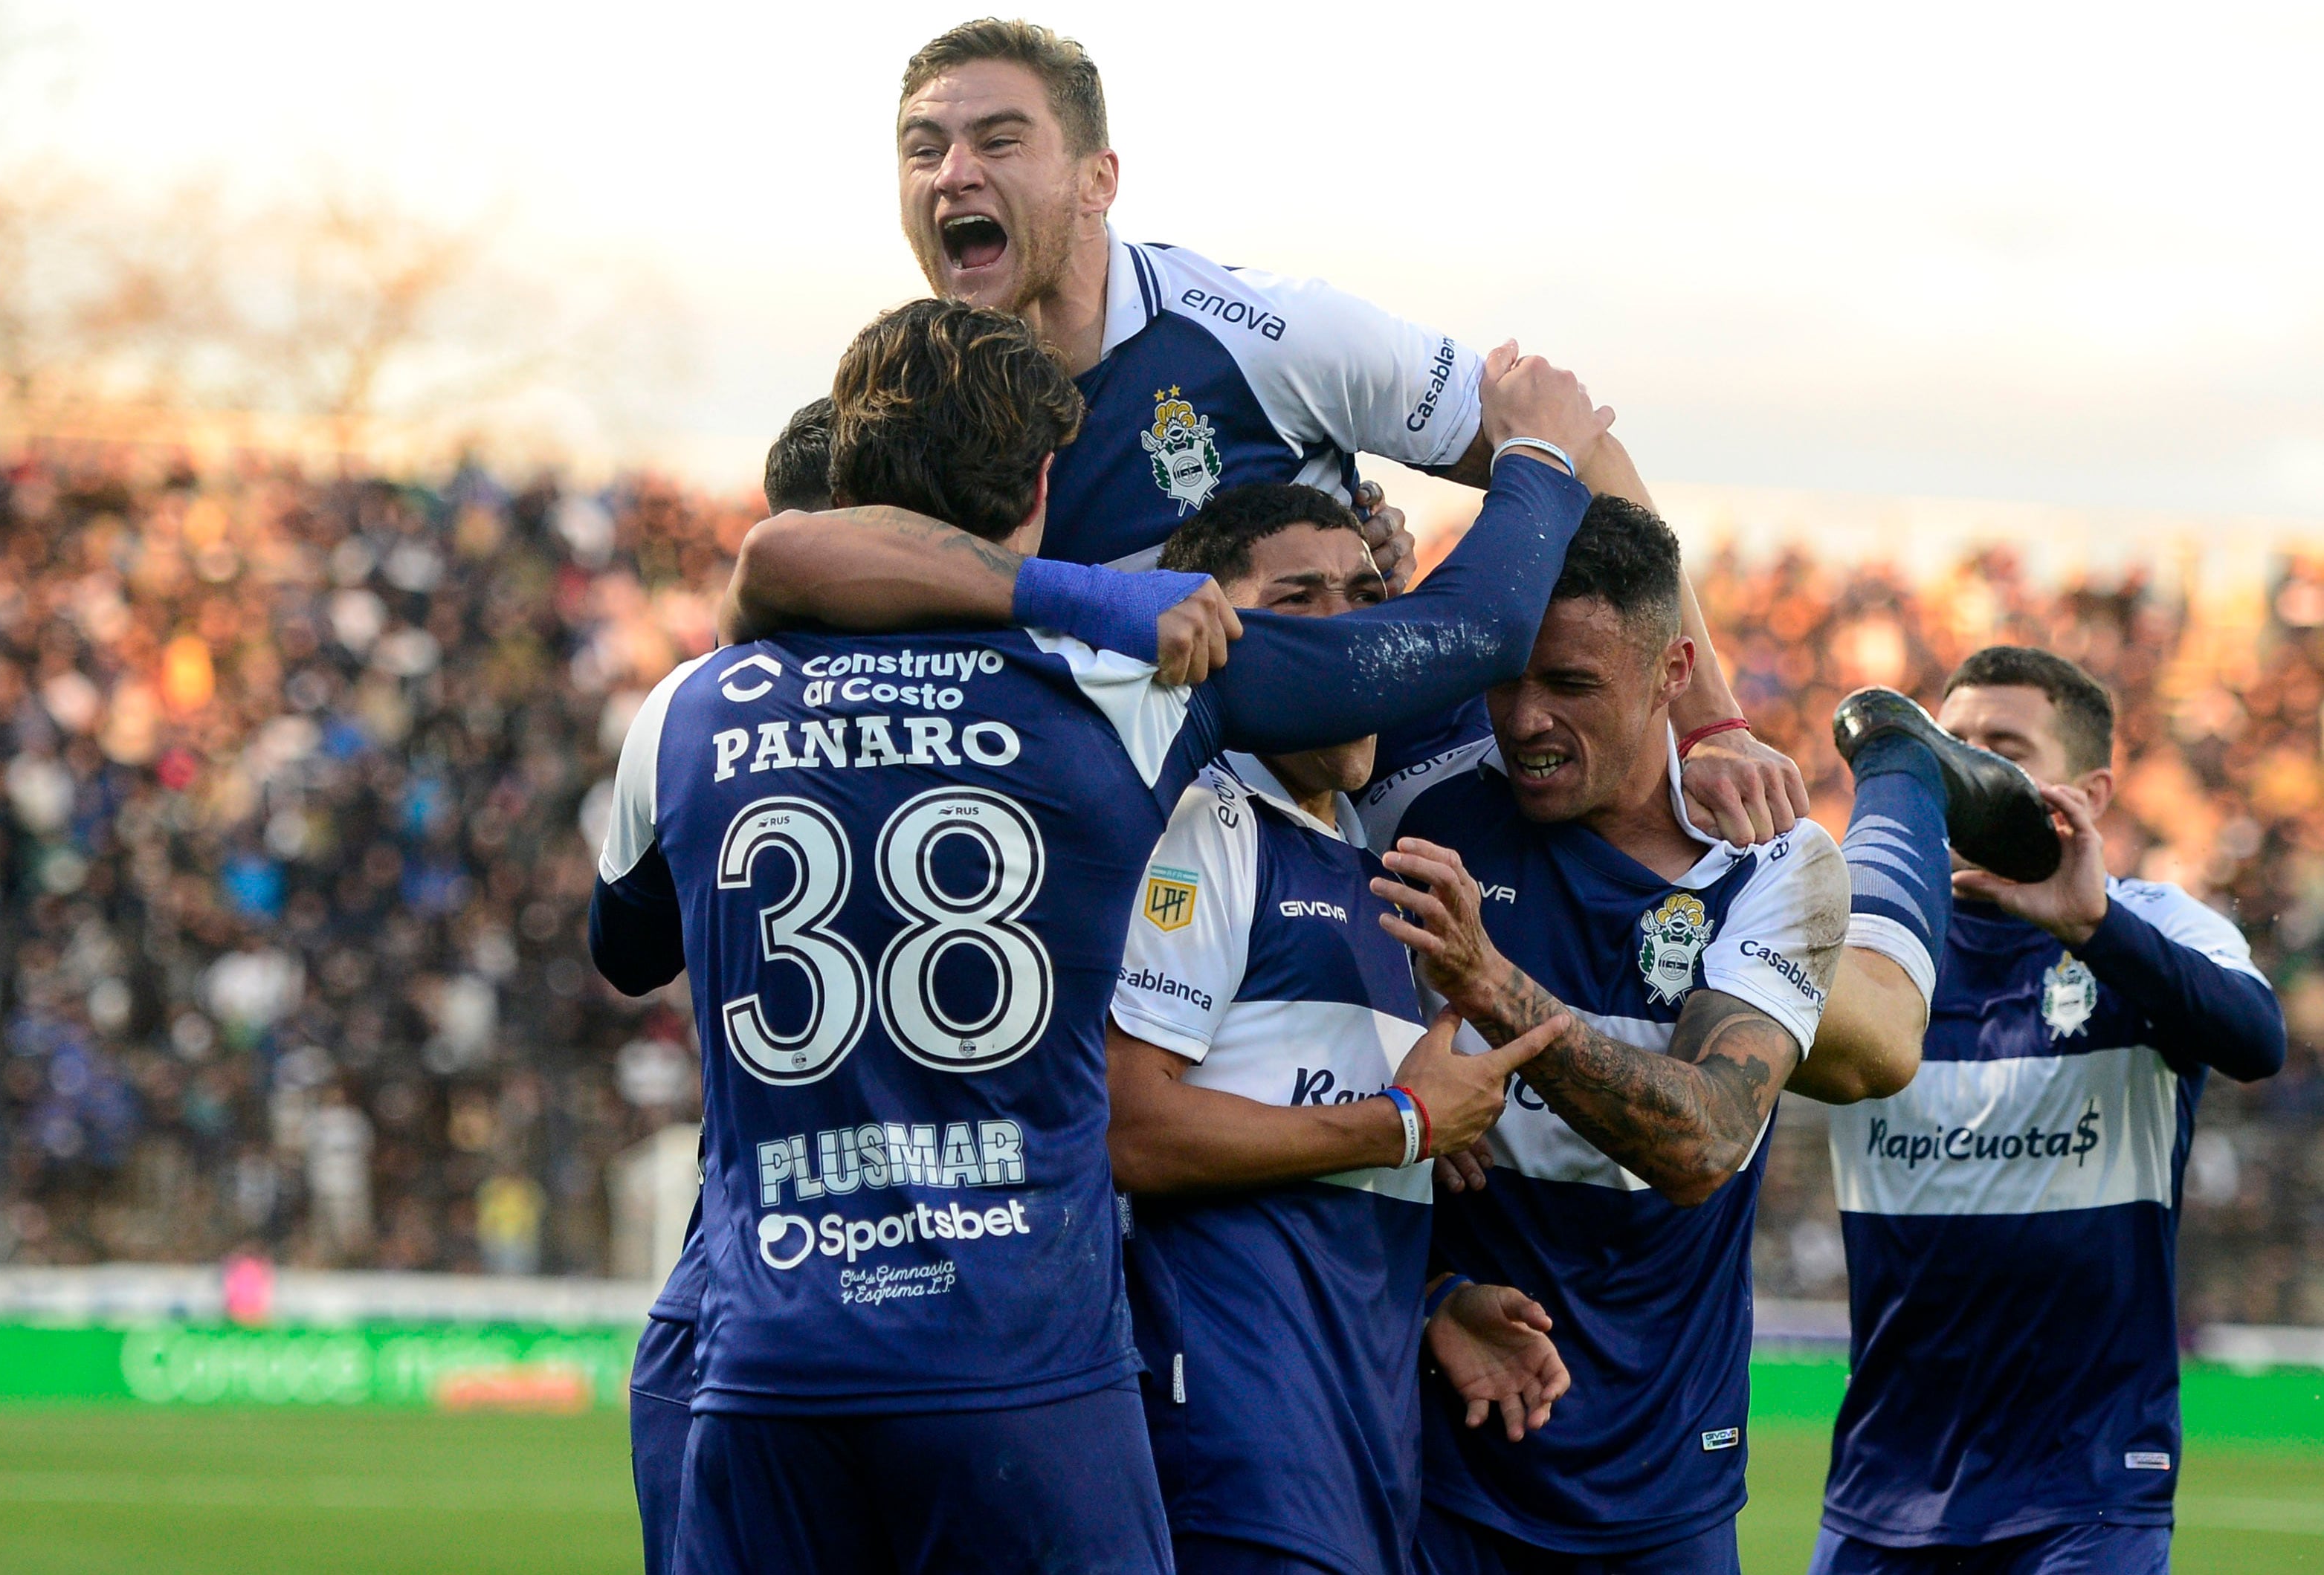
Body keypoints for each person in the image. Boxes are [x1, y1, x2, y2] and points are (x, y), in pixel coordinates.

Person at [591, 299, 1610, 1575]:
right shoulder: (1122, 689)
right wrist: (1536, 454)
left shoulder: (686, 707)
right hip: (1018, 1369)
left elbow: (626, 948)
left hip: (767, 1360)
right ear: (1041, 488)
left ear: (846, 482)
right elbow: (1464, 635)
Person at [717, 16, 1813, 850]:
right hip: (1136, 859)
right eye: (923, 150)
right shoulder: (903, 412)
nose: (953, 172)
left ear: (1098, 179)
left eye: (997, 141)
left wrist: (1709, 725)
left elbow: (1573, 445)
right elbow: (787, 571)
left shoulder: (1262, 332)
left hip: (1378, 802)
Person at [1354, 498, 1851, 1574]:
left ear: (1673, 671)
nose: (1525, 717)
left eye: (1571, 684)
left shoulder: (1771, 865)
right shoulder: (1411, 808)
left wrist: (1488, 985)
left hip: (1660, 1479)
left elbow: (1704, 1140)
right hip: (1437, 1462)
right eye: (1507, 677)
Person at [1105, 483, 1572, 1575]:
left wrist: (1432, 1297)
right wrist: (1404, 1121)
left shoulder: (1360, 852)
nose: (1345, 629)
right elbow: (1130, 1128)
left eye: (1364, 596)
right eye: (1297, 599)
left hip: (1356, 1443)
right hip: (1237, 1449)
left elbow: (1297, 1136)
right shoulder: (1205, 823)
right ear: (1214, 632)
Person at [1808, 649, 2287, 1575]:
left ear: (2089, 792)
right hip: (1882, 1489)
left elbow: (2255, 1040)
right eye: (1944, 745)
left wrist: (2092, 926)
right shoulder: (1862, 952)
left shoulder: (2154, 922)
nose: (1958, 772)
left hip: (2087, 1491)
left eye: (2001, 748)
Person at [622, 395, 838, 1575]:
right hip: (992, 1293)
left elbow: (625, 949)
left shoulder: (687, 702)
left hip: (750, 1269)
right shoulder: (1034, 691)